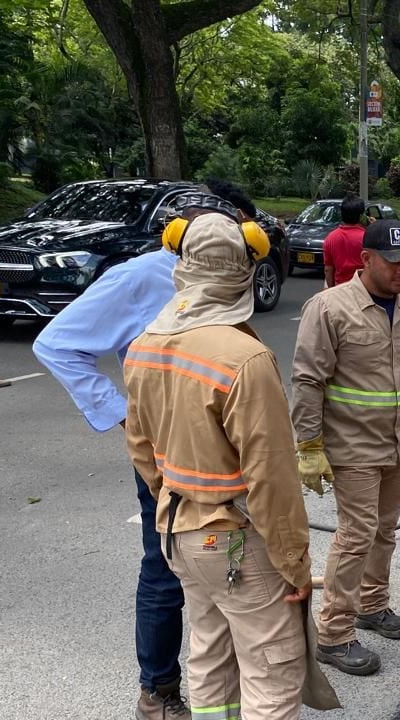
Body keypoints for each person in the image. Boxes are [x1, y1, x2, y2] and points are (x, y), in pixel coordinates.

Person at [31, 178, 260, 720]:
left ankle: (225, 681)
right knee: (165, 567)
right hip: (167, 453)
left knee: (228, 560)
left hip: (227, 448)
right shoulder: (138, 278)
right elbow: (57, 344)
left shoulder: (229, 282)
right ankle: (157, 691)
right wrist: (124, 415)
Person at [123, 199, 322, 719]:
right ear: (245, 270)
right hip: (236, 537)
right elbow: (273, 479)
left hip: (179, 534)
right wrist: (295, 564)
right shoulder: (245, 359)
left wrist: (175, 497)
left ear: (181, 266)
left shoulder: (143, 347)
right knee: (272, 672)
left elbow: (142, 452)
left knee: (211, 657)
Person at [291, 219, 400, 675]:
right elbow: (308, 380)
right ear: (367, 259)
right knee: (355, 536)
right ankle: (334, 634)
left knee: (385, 530)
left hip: (398, 445)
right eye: (393, 263)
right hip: (352, 445)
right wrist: (310, 444)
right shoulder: (330, 309)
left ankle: (372, 606)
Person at [323, 195, 369, 288]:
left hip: (340, 288)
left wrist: (332, 290)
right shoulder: (367, 237)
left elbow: (328, 269)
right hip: (363, 288)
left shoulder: (330, 238)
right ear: (361, 216)